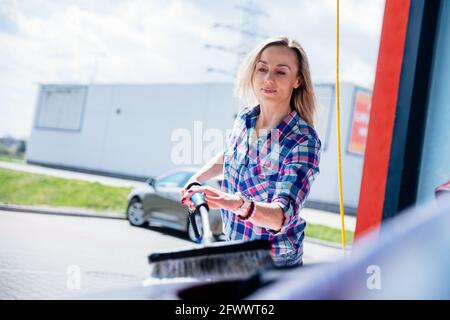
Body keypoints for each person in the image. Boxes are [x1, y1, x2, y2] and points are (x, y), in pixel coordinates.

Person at [180, 36, 321, 267]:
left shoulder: (303, 141)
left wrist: (233, 203)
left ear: (298, 80)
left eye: (280, 72)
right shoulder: (246, 118)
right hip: (235, 249)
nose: (268, 78)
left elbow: (280, 216)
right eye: (262, 68)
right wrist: (195, 180)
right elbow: (230, 157)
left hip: (274, 264)